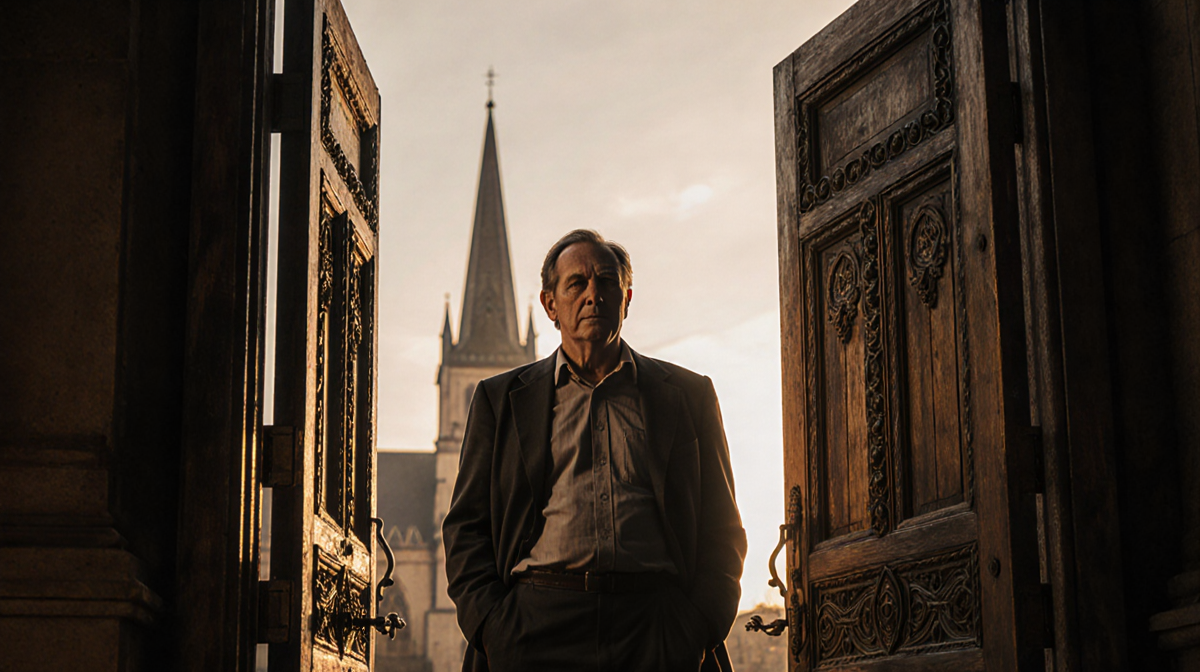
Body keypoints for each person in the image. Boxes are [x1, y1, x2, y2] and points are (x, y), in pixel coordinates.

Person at [443, 229, 747, 672]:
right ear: (550, 304)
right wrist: (494, 626)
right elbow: (467, 527)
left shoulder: (687, 394)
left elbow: (722, 525)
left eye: (606, 282)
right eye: (576, 283)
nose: (593, 295)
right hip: (535, 627)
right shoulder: (499, 399)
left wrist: (696, 625)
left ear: (626, 298)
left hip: (654, 627)